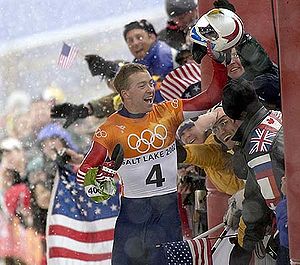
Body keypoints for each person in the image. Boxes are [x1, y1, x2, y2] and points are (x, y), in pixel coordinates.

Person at [77, 62, 227, 264]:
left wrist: (216, 58)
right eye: (141, 86)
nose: (150, 89)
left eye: (150, 83)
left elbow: (211, 97)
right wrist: (101, 177)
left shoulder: (167, 111)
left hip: (167, 212)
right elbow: (86, 171)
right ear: (125, 94)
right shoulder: (110, 129)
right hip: (132, 214)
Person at [51, 19, 177, 128]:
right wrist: (88, 109)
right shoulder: (143, 62)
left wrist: (114, 70)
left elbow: (149, 90)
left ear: (152, 37)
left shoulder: (164, 54)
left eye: (139, 37)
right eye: (130, 40)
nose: (135, 43)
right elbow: (123, 97)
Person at [222, 78, 284, 265]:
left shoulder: (258, 149)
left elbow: (269, 200)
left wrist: (243, 248)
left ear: (234, 119)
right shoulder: (278, 116)